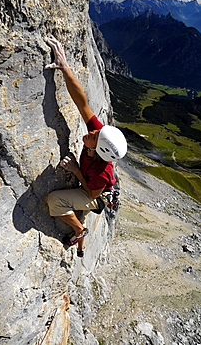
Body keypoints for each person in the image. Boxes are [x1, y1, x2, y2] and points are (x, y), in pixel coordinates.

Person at [45, 37, 127, 257]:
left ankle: (79, 230)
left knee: (55, 200)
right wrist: (65, 67)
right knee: (77, 205)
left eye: (95, 135)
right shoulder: (99, 139)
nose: (91, 130)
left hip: (95, 195)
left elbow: (91, 191)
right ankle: (79, 224)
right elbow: (82, 102)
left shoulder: (102, 172)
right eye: (96, 131)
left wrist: (75, 170)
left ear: (100, 149)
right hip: (92, 184)